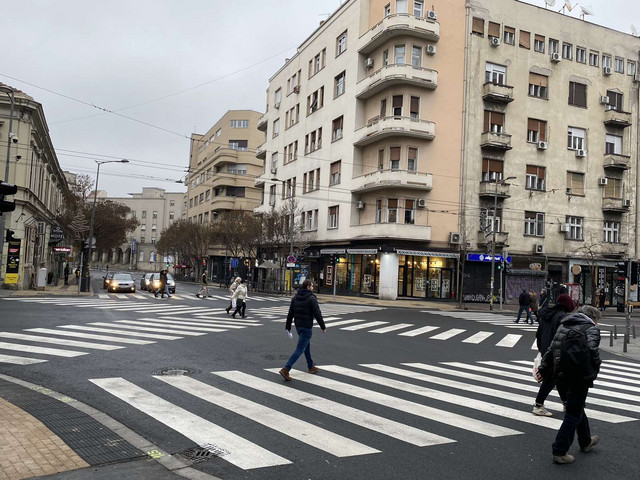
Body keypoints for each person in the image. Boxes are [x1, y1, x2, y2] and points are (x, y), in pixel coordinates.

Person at [537, 305, 602, 465]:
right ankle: (559, 450)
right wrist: (593, 371)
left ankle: (585, 441)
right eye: (597, 320)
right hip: (579, 377)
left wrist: (543, 369)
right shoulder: (590, 329)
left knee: (576, 407)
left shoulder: (563, 325)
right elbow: (593, 353)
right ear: (593, 318)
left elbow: (551, 349)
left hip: (560, 376)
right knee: (573, 413)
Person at [532, 293, 576, 416]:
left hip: (547, 349)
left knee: (558, 378)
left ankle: (566, 403)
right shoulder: (562, 317)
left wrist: (541, 349)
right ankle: (538, 405)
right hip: (556, 351)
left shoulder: (546, 315)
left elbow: (539, 334)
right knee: (552, 378)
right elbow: (563, 336)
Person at [279, 280, 326, 381]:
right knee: (300, 349)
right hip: (306, 327)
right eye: (312, 286)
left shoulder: (295, 298)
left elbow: (290, 313)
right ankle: (286, 369)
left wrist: (288, 326)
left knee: (306, 346)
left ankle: (310, 366)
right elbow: (317, 313)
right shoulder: (311, 298)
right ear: (308, 287)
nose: (313, 288)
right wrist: (323, 326)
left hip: (298, 326)